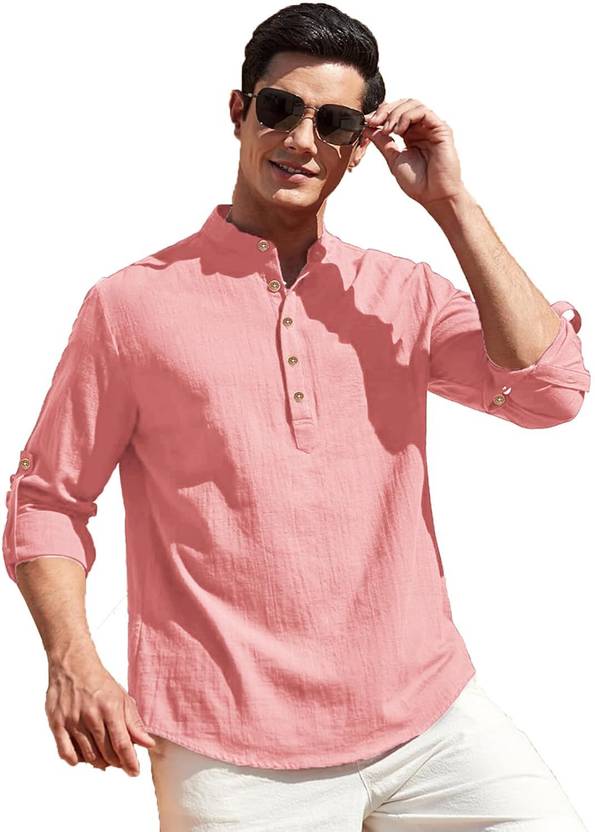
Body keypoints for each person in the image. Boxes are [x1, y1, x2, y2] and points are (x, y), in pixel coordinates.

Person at [3, 3, 590, 830]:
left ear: (359, 145)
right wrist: (73, 659)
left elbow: (550, 391)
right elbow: (48, 499)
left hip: (427, 719)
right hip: (231, 751)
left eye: (334, 123)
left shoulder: (398, 294)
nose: (302, 140)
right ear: (239, 112)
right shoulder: (131, 306)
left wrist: (449, 201)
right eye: (279, 108)